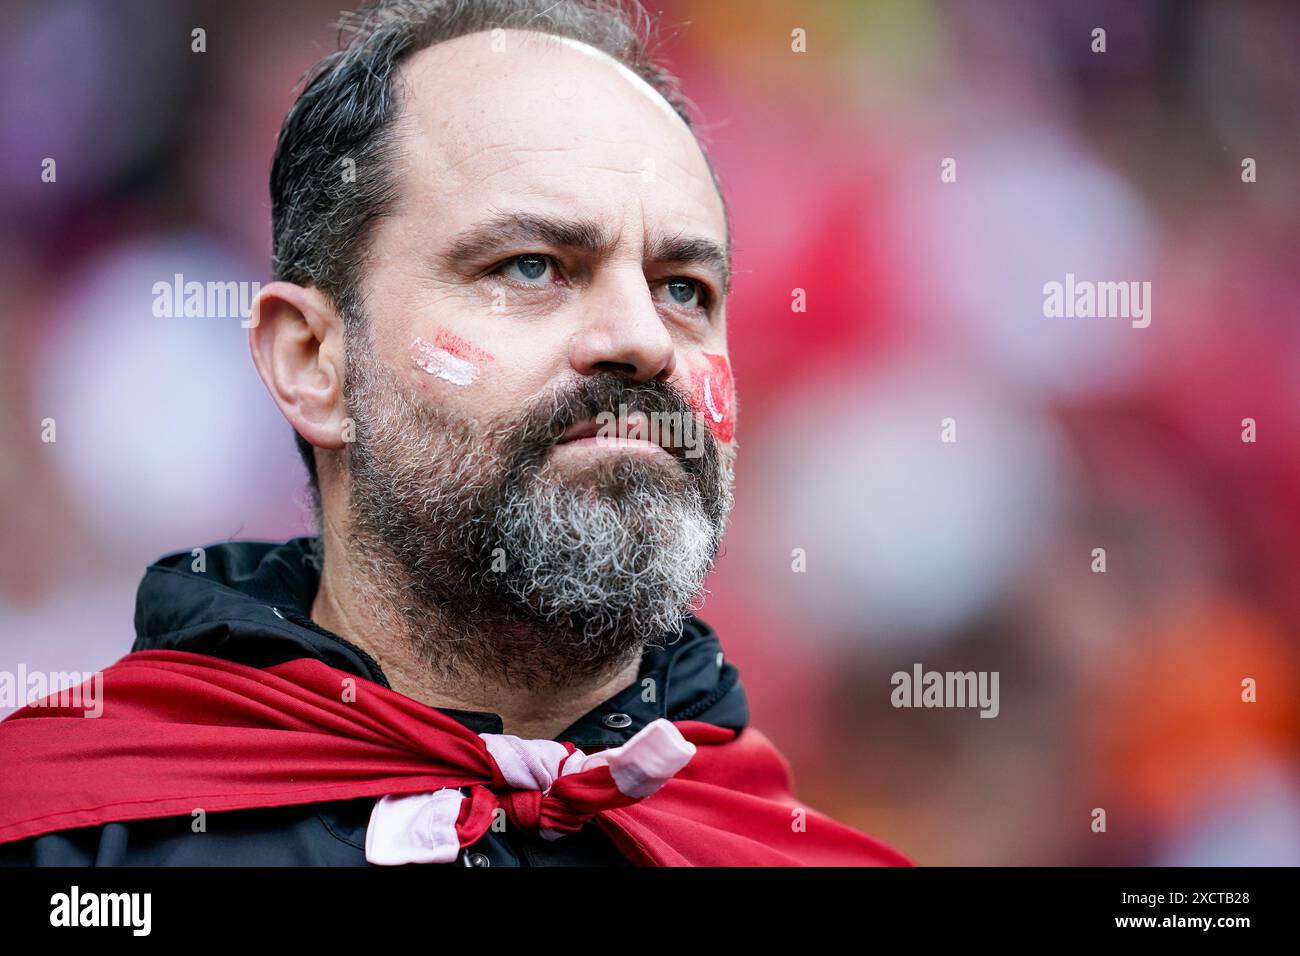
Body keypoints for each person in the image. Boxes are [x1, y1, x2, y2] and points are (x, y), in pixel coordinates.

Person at [0, 0, 910, 867]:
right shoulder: (62, 835)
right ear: (314, 359)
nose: (643, 339)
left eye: (684, 289)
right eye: (534, 265)